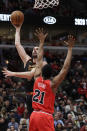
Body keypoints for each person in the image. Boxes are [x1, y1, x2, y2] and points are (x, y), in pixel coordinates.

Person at [29, 31, 75, 131]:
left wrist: (41, 41)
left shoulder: (36, 78)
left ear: (41, 72)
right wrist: (70, 49)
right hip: (44, 117)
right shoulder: (52, 84)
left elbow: (39, 59)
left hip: (33, 115)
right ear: (52, 74)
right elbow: (65, 68)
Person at [2, 27, 48, 117]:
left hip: (40, 96)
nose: (35, 50)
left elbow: (30, 75)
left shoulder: (43, 64)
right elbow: (17, 44)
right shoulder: (27, 60)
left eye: (37, 49)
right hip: (29, 96)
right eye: (34, 49)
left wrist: (13, 73)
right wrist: (18, 28)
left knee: (40, 119)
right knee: (32, 120)